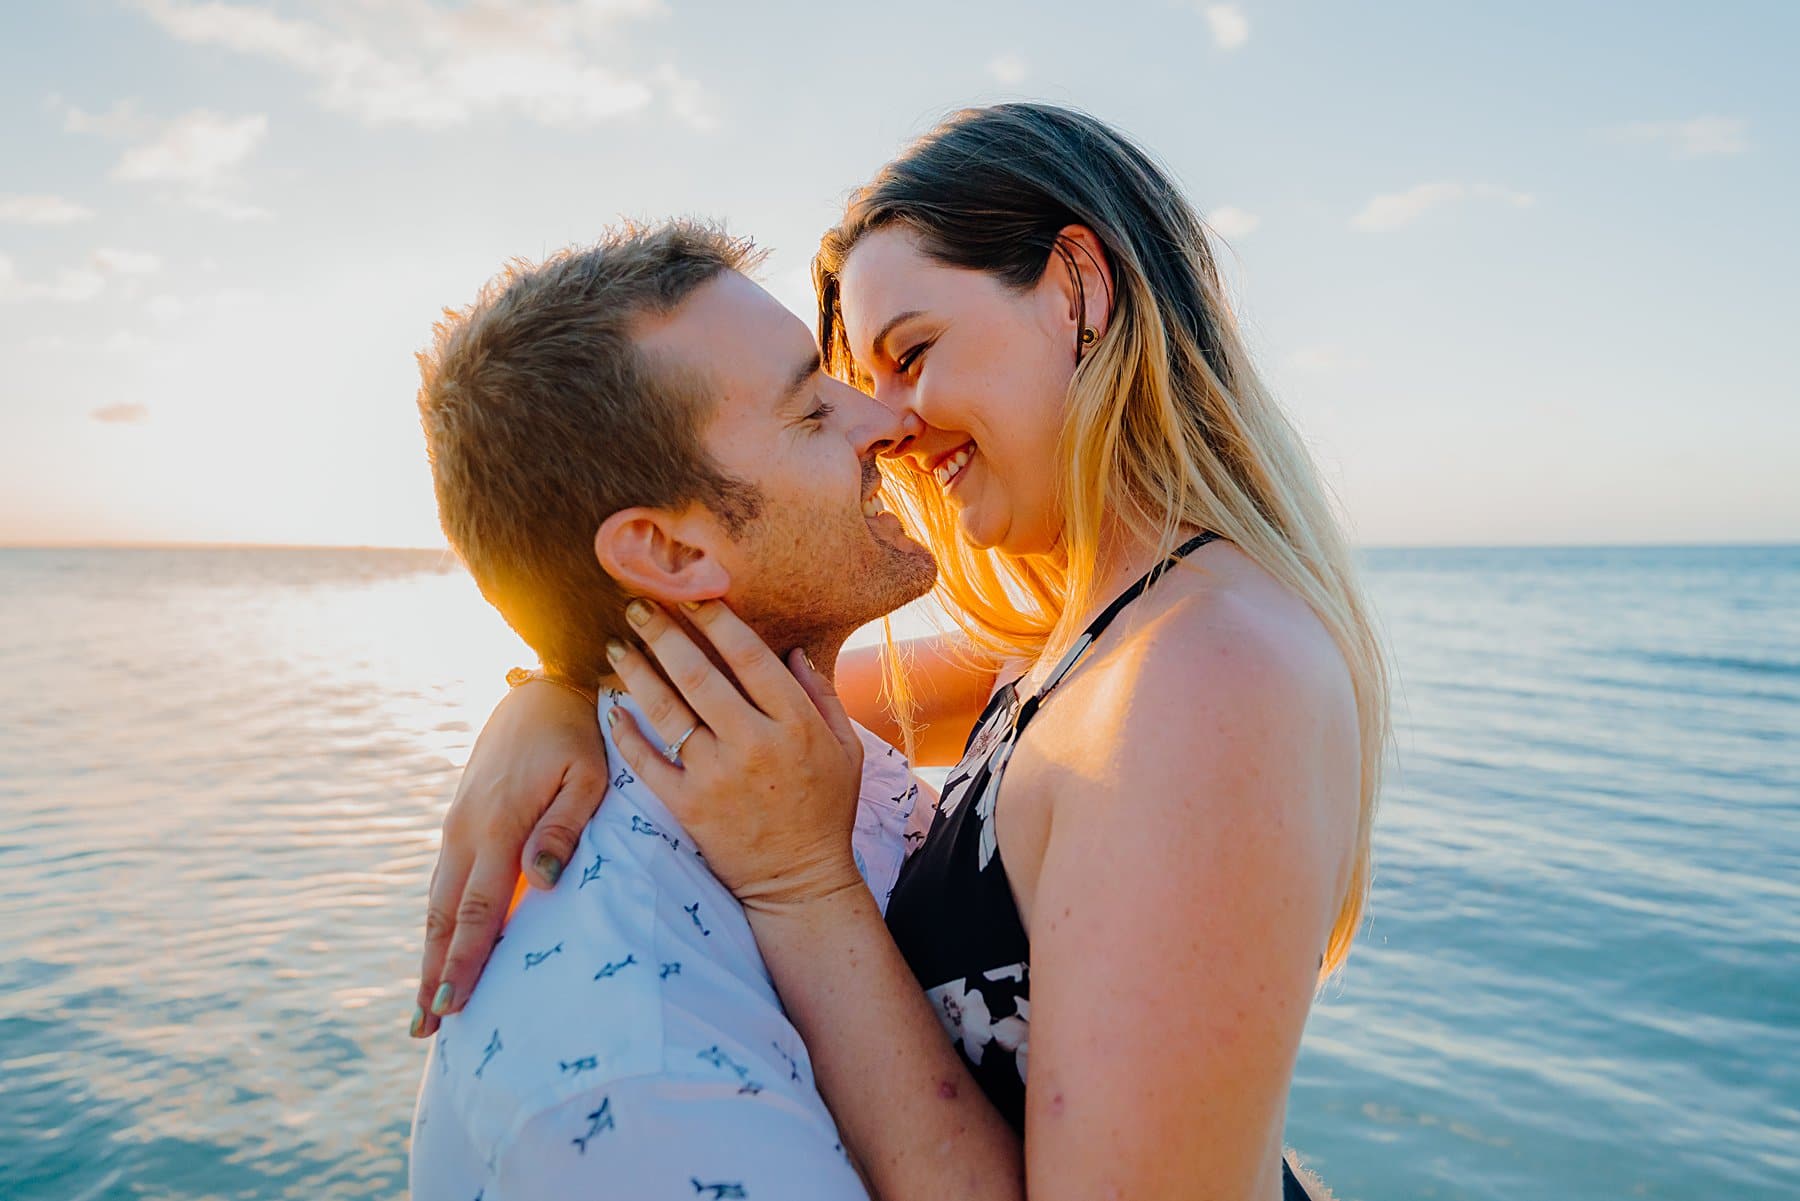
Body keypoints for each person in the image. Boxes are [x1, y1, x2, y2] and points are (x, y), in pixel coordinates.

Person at [415, 103, 1388, 1201]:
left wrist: (806, 889)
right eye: (842, 393)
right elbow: (762, 704)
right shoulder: (1075, 650)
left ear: (1081, 288)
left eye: (911, 355)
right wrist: (554, 696)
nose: (892, 428)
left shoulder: (1205, 673)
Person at [406, 221, 943, 1199]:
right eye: (812, 412)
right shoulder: (633, 1080)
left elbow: (1102, 674)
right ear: (670, 554)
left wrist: (554, 691)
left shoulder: (782, 740)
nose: (884, 422)